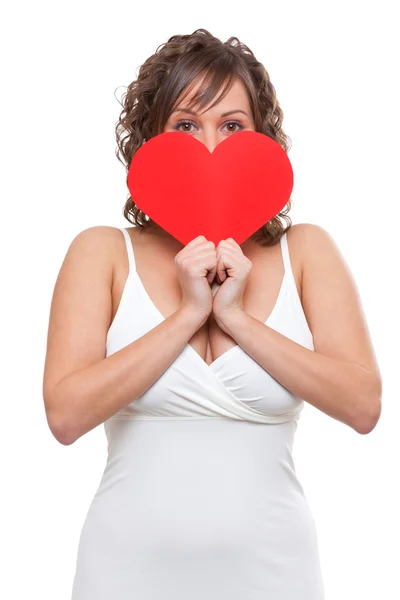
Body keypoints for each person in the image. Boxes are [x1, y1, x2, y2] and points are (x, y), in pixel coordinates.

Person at [42, 29, 382, 599]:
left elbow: (364, 405)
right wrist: (186, 315)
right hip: (124, 575)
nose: (209, 145)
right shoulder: (101, 252)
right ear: (151, 137)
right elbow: (65, 416)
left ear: (261, 138)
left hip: (277, 575)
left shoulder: (307, 251)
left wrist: (239, 320)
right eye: (185, 124)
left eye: (231, 125)